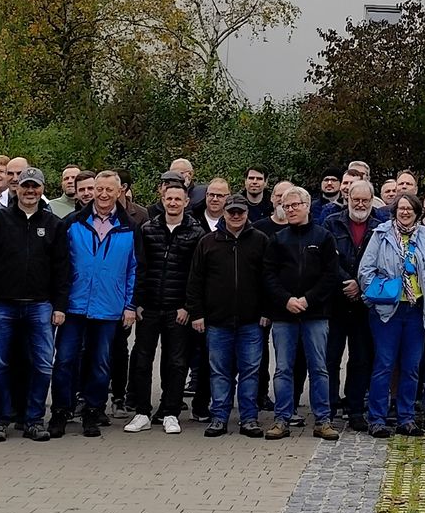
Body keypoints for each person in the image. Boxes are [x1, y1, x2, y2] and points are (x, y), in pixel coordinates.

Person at [0, 166, 67, 439]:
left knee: (43, 365)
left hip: (41, 305)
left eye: (35, 186)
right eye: (25, 185)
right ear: (17, 188)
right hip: (2, 305)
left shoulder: (54, 224)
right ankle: (0, 420)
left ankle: (34, 420)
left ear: (42, 189)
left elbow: (62, 269)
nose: (30, 191)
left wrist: (60, 306)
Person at [53, 171, 137, 438]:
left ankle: (93, 410)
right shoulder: (73, 222)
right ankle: (60, 411)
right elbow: (60, 265)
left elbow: (134, 270)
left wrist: (130, 306)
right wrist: (59, 303)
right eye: (99, 189)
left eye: (109, 190)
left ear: (119, 192)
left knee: (100, 364)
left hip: (109, 307)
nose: (103, 194)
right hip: (74, 305)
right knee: (64, 360)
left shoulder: (129, 227)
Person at [359, 191, 425, 436]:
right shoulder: (381, 234)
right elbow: (365, 271)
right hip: (387, 311)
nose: (405, 212)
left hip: (416, 309)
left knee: (412, 366)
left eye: (410, 209)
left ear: (417, 212)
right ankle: (377, 418)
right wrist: (380, 291)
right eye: (401, 208)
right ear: (394, 211)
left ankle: (406, 418)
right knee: (384, 364)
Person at [126, 175, 204, 433]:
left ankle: (170, 412)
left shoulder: (196, 232)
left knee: (176, 362)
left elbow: (196, 274)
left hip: (177, 309)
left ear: (186, 201)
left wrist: (188, 306)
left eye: (177, 199)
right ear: (162, 199)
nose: (173, 203)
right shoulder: (148, 229)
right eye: (169, 198)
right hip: (148, 307)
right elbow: (139, 268)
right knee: (142, 360)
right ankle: (141, 412)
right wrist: (137, 302)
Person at [189, 193, 270, 437]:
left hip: (251, 321)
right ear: (224, 214)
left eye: (240, 212)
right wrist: (197, 313)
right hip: (217, 321)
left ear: (247, 214)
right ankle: (219, 417)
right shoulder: (208, 242)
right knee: (219, 372)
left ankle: (249, 418)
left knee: (250, 372)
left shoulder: (260, 240)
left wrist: (267, 311)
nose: (235, 216)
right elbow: (195, 281)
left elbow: (269, 279)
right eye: (231, 212)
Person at [266, 183, 341, 438]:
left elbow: (330, 275)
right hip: (284, 314)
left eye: (295, 205)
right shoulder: (278, 239)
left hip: (316, 314)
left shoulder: (323, 237)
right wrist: (286, 300)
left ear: (307, 206)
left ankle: (323, 420)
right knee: (283, 369)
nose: (290, 210)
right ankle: (281, 419)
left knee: (319, 367)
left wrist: (308, 300)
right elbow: (269, 276)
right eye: (285, 206)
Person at [324, 180, 380, 430]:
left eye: (365, 200)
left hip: (365, 303)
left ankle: (356, 409)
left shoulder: (380, 227)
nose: (360, 204)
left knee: (361, 358)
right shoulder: (331, 223)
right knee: (330, 357)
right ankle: (328, 408)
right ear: (347, 198)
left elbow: (382, 261)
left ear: (372, 200)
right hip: (335, 301)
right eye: (355, 199)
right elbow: (326, 258)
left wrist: (360, 284)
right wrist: (346, 281)